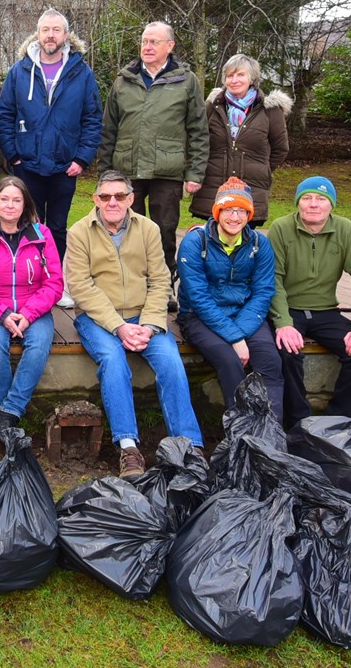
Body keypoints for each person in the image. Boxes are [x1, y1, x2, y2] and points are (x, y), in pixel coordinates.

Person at [64, 170, 201, 480]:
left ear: (131, 198)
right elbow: (81, 288)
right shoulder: (79, 232)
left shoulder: (148, 229)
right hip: (98, 319)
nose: (113, 202)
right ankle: (128, 447)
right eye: (106, 196)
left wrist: (150, 325)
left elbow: (160, 279)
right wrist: (118, 326)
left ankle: (189, 447)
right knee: (113, 361)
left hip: (144, 316)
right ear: (95, 199)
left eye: (120, 196)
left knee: (171, 363)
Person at [0, 8, 102, 294]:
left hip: (64, 165)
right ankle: (27, 280)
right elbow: (4, 114)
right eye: (46, 30)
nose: (51, 35)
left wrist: (82, 158)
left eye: (56, 30)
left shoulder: (81, 72)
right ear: (38, 34)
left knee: (56, 228)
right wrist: (13, 154)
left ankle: (55, 284)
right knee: (25, 223)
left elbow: (92, 118)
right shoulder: (20, 71)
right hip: (27, 165)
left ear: (65, 35)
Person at [96, 21, 209, 278]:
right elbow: (108, 130)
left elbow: (198, 131)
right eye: (144, 41)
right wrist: (105, 174)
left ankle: (164, 283)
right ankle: (129, 282)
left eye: (154, 42)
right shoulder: (124, 81)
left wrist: (195, 173)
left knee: (164, 232)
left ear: (170, 46)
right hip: (126, 170)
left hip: (167, 172)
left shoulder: (186, 81)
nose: (147, 47)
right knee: (126, 231)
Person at [269, 176, 351, 428]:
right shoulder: (281, 228)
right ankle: (297, 423)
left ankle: (338, 422)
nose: (313, 204)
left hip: (326, 312)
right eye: (307, 198)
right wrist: (283, 322)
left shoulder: (345, 229)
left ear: (331, 205)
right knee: (286, 353)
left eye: (321, 199)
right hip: (289, 310)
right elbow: (272, 279)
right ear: (298, 203)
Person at [0, 176, 62, 448]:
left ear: (25, 204)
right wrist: (2, 313)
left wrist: (29, 313)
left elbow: (54, 283)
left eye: (17, 200)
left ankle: (9, 412)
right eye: (4, 199)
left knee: (39, 343)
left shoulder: (42, 235)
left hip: (34, 306)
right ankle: (4, 414)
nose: (10, 205)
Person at [176, 179, 284, 426]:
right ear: (217, 211)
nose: (234, 217)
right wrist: (235, 339)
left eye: (242, 210)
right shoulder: (195, 242)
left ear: (249, 214)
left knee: (270, 360)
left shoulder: (259, 243)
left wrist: (240, 333)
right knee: (229, 360)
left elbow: (263, 291)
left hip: (245, 314)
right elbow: (197, 297)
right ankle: (241, 434)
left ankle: (272, 434)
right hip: (199, 316)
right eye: (228, 209)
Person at [188, 53, 290, 227]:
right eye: (230, 75)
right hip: (213, 188)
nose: (234, 80)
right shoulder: (212, 106)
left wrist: (261, 169)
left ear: (252, 78)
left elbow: (280, 149)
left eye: (240, 74)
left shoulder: (270, 110)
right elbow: (197, 141)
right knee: (212, 247)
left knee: (244, 248)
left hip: (251, 190)